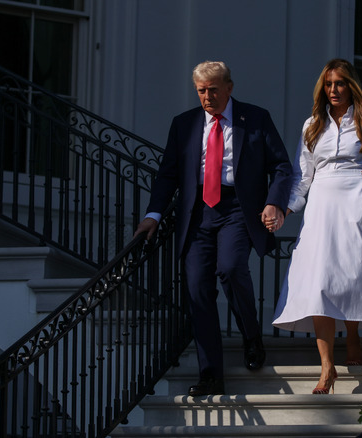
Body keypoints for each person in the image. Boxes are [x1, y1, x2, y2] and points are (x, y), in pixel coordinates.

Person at [135, 61, 293, 396]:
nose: (207, 97)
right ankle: (211, 374)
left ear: (229, 88)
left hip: (238, 208)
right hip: (198, 213)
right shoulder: (185, 124)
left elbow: (281, 165)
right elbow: (168, 175)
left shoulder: (256, 118)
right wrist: (153, 215)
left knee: (232, 267)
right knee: (197, 289)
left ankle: (251, 336)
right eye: (201, 91)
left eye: (214, 90)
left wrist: (274, 202)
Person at [270, 59, 362, 394]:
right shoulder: (312, 125)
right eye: (329, 84)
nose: (333, 90)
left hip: (357, 200)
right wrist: (285, 209)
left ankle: (352, 334)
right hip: (322, 203)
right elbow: (301, 179)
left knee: (351, 274)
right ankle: (327, 366)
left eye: (340, 83)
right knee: (322, 280)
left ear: (352, 86)